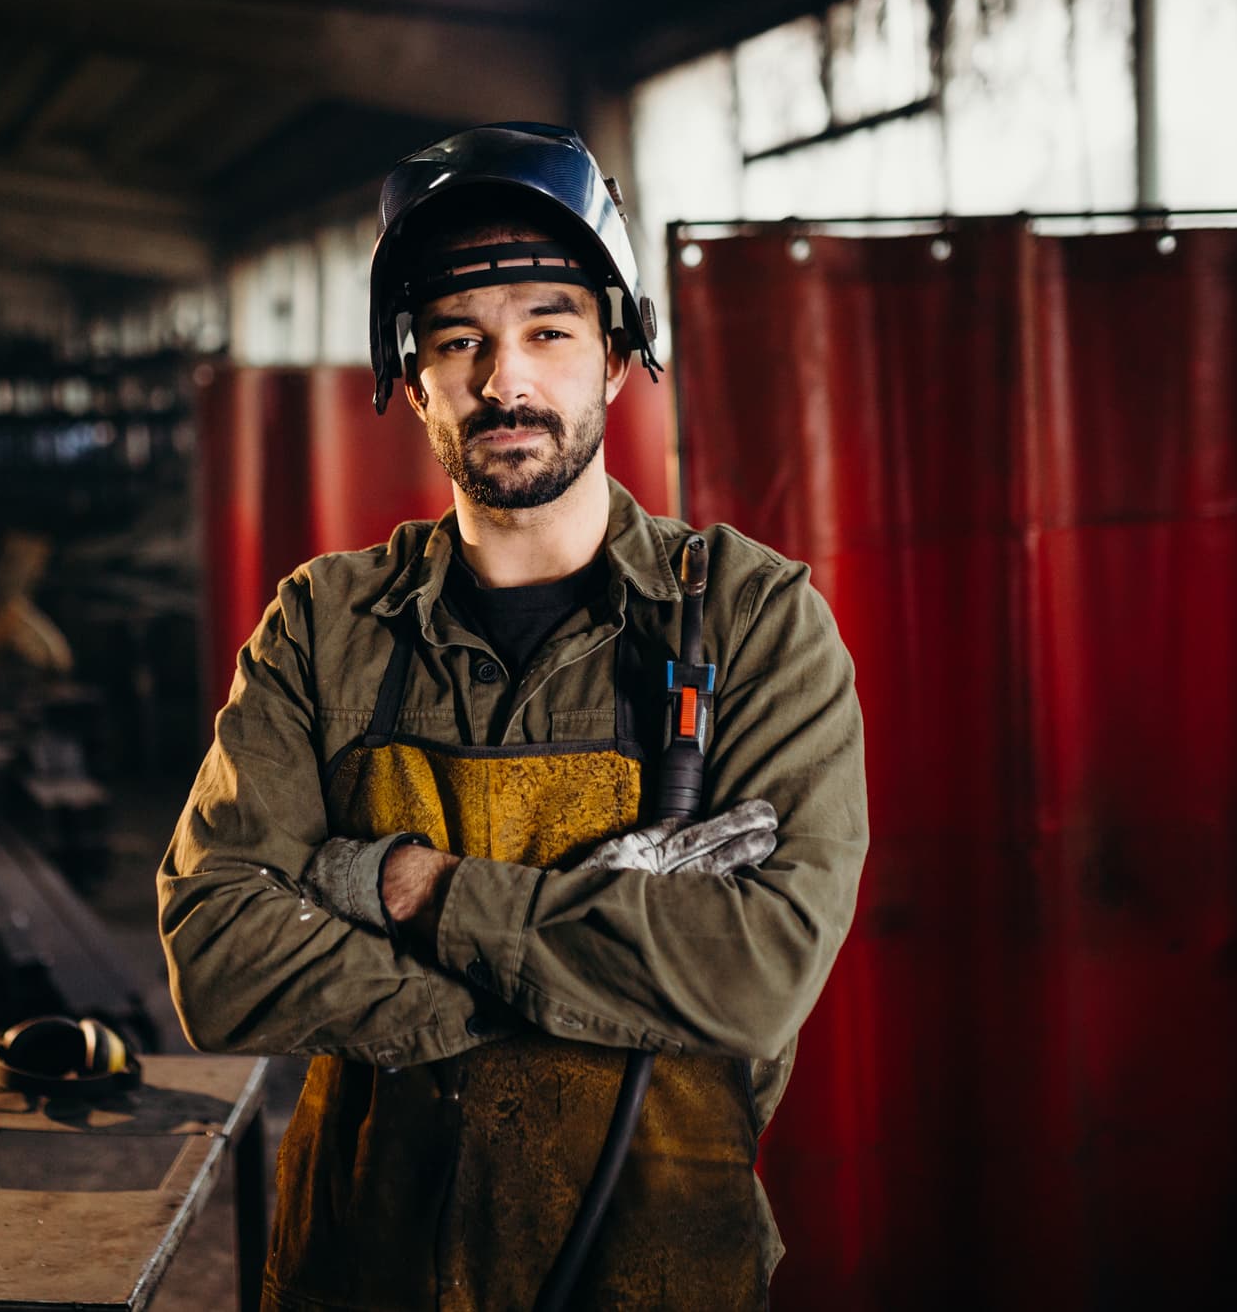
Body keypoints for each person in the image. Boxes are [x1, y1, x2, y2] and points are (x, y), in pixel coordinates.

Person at [159, 123, 867, 1310]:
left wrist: (416, 890)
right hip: (363, 1270)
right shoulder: (327, 626)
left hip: (659, 1272)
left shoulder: (752, 622)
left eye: (548, 329)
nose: (507, 380)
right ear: (412, 375)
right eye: (459, 342)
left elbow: (758, 968)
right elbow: (218, 950)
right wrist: (547, 993)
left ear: (614, 350)